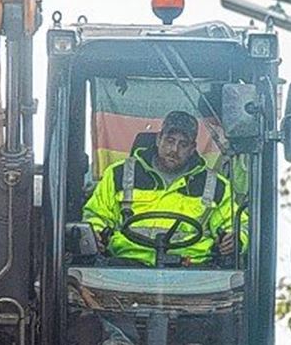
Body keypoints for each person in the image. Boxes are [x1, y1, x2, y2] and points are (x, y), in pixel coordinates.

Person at [82, 110, 244, 266]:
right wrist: (95, 233)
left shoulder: (216, 185)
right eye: (170, 140)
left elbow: (237, 225)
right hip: (126, 265)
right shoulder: (119, 174)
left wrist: (237, 238)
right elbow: (97, 215)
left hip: (191, 272)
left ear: (192, 148)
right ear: (158, 139)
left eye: (183, 144)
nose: (174, 150)